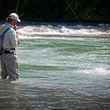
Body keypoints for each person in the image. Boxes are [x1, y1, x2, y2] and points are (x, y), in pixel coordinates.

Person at [0, 13, 21, 81]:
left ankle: (4, 90)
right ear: (13, 21)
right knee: (14, 77)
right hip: (10, 55)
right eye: (16, 21)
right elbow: (15, 44)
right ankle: (12, 91)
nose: (16, 23)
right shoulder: (12, 31)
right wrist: (16, 33)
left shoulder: (1, 27)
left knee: (3, 76)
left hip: (2, 55)